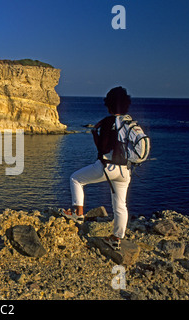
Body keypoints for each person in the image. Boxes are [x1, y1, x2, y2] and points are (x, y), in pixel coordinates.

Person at [62, 86, 132, 250]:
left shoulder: (109, 122)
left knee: (76, 179)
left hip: (108, 167)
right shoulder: (129, 122)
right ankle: (116, 238)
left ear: (109, 104)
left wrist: (95, 133)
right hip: (125, 171)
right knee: (121, 205)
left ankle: (78, 213)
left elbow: (102, 148)